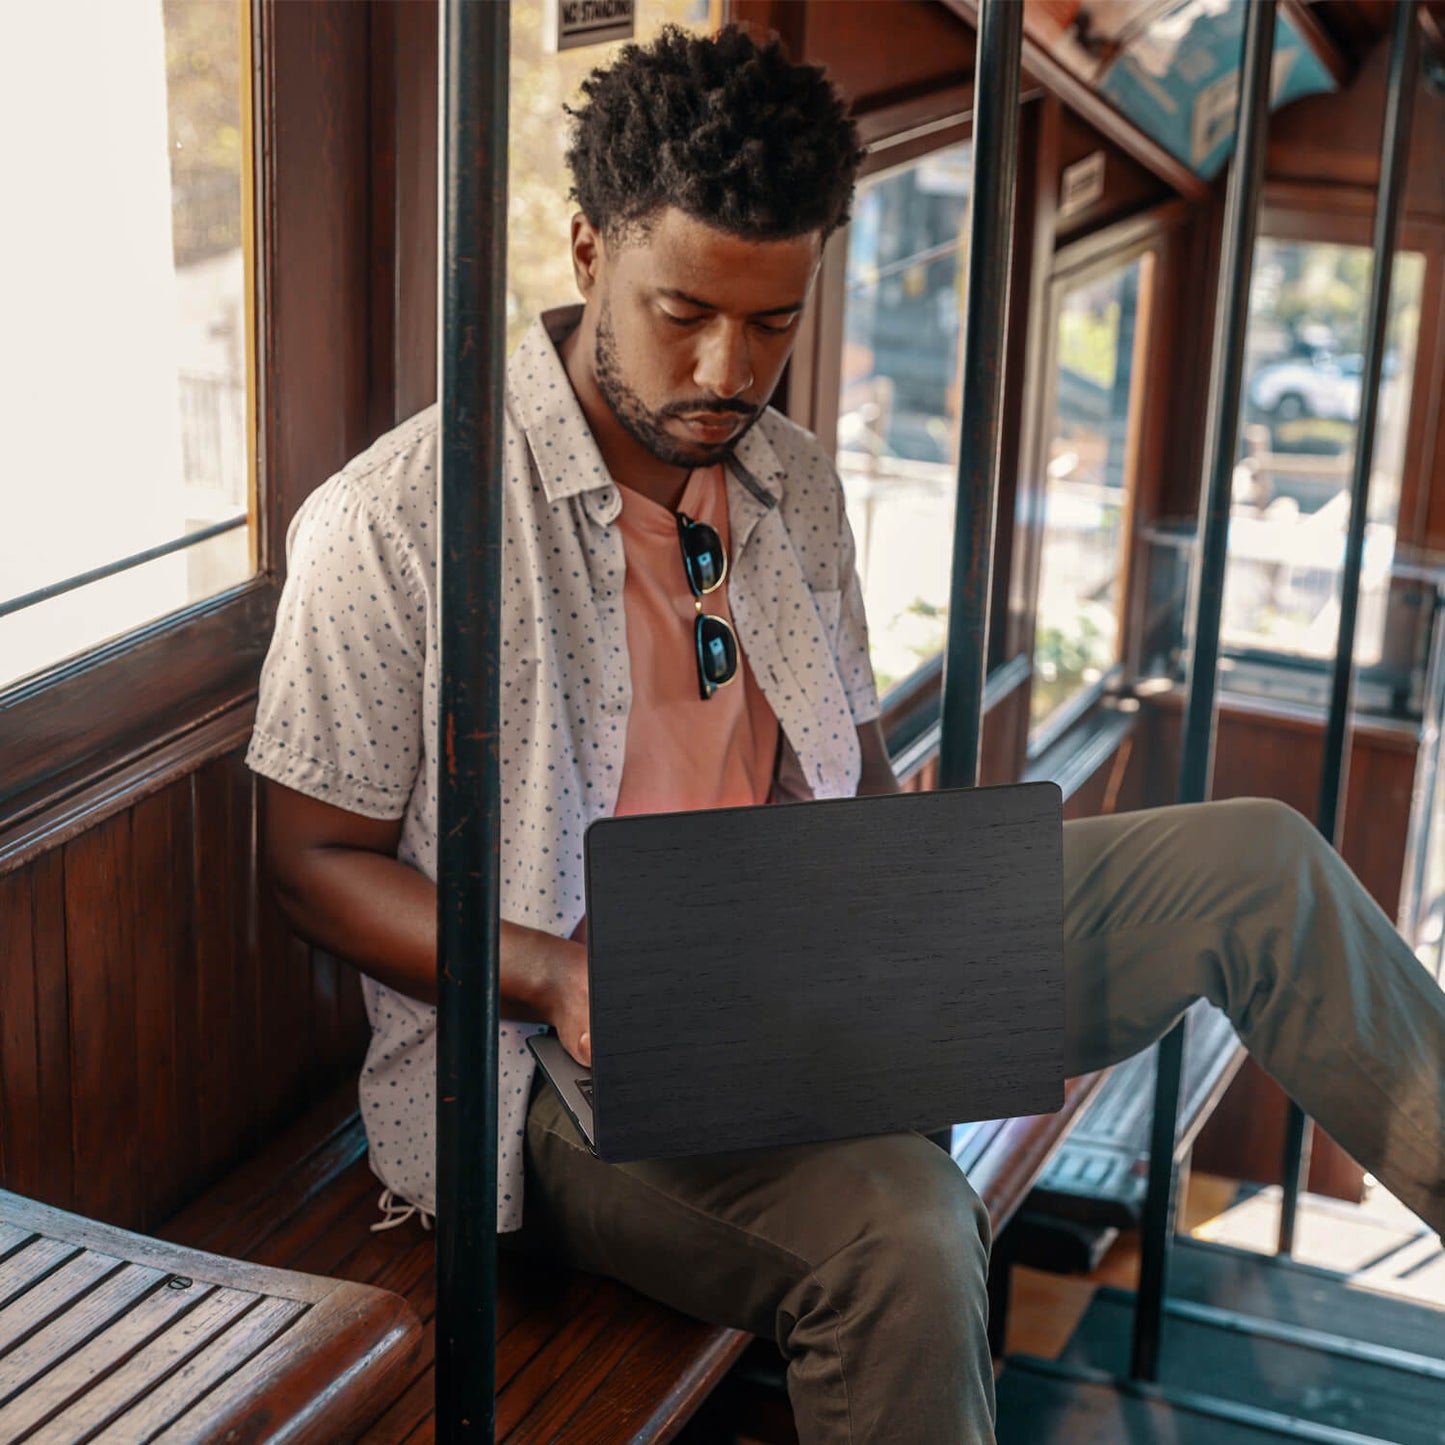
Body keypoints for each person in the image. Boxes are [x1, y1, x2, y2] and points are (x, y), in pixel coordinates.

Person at [246, 24, 1445, 1444]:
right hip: (558, 1062)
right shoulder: (398, 520)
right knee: (907, 1235)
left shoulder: (790, 478)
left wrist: (944, 937)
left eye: (772, 323)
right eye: (681, 310)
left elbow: (854, 762)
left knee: (1258, 859)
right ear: (584, 250)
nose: (724, 366)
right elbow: (306, 861)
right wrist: (555, 973)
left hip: (814, 957)